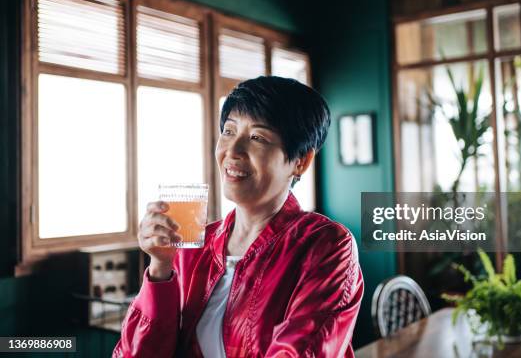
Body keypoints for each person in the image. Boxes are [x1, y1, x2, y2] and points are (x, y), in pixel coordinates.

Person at [113, 76, 364, 357]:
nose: (232, 151)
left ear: (300, 161)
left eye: (257, 137)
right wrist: (160, 268)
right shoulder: (193, 248)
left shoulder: (326, 246)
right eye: (229, 131)